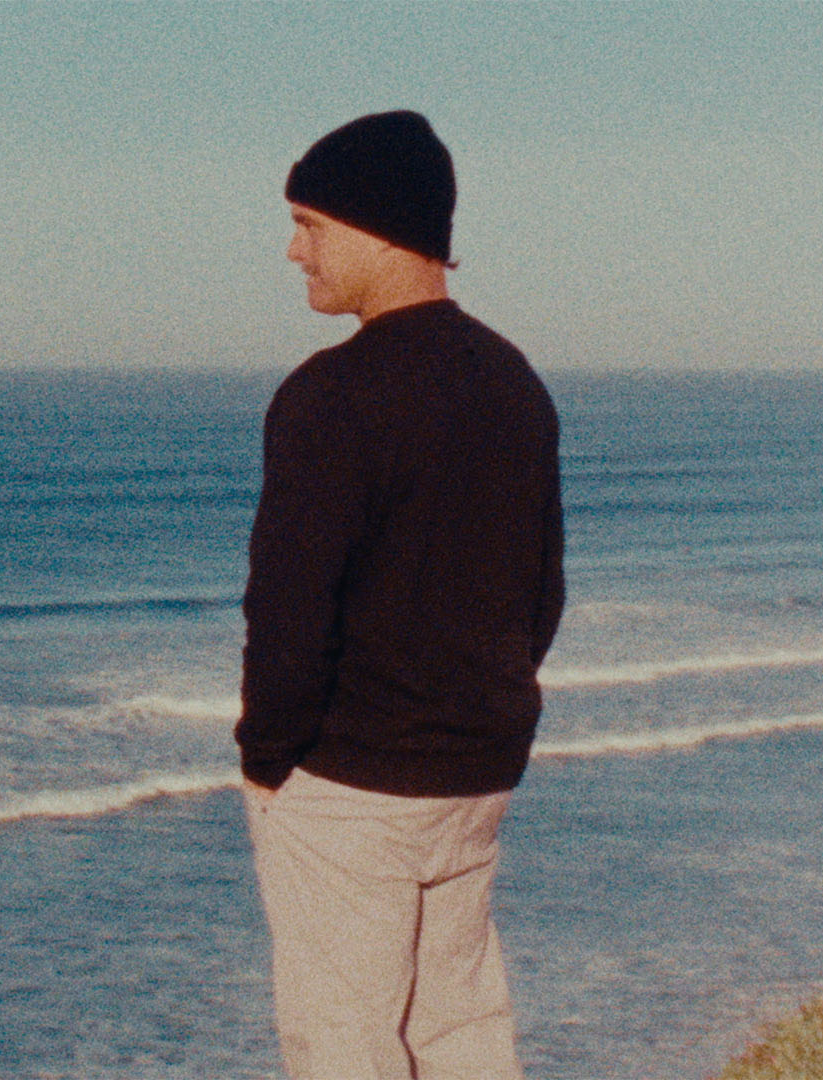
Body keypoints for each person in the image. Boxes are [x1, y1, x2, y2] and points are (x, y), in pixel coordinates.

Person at [236, 110, 565, 1080]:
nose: (294, 251)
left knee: (345, 1045)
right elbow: (541, 593)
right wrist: (481, 717)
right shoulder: (512, 381)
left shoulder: (329, 396)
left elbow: (289, 617)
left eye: (309, 224)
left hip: (351, 788)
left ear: (377, 229)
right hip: (475, 771)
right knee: (459, 1034)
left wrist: (268, 761)